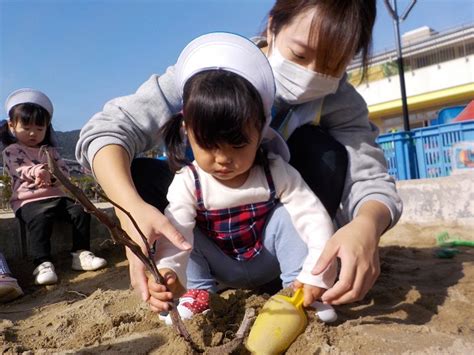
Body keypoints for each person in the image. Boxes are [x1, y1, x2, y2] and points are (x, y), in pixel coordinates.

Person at [76, 0, 402, 306]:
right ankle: (194, 279)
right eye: (301, 55)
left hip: (280, 232)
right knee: (139, 174)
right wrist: (130, 211)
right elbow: (107, 131)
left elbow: (369, 178)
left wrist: (367, 225)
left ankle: (294, 272)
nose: (312, 74)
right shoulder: (209, 69)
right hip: (204, 231)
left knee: (323, 151)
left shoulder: (339, 101)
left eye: (333, 65)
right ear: (273, 25)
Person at [145, 32, 337, 323]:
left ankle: (298, 290)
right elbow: (175, 236)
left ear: (260, 132)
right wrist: (169, 271)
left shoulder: (274, 171)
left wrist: (316, 274)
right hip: (221, 264)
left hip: (265, 260)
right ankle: (199, 294)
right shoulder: (189, 180)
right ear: (187, 131)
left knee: (289, 216)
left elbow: (314, 220)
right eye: (208, 145)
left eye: (237, 145)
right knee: (183, 232)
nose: (223, 159)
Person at [2, 88, 107, 286]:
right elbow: (19, 169)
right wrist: (38, 171)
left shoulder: (52, 151)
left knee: (81, 212)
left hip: (58, 197)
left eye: (39, 128)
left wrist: (53, 177)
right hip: (28, 201)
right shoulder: (11, 151)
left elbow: (64, 172)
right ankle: (42, 263)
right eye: (26, 127)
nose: (33, 133)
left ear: (47, 128)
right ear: (11, 125)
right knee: (40, 220)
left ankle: (81, 253)